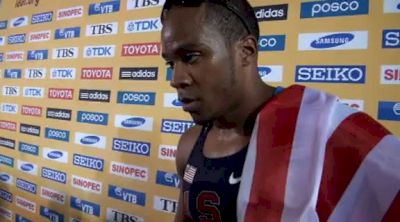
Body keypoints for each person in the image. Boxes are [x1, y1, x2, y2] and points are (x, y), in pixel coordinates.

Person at [160, 0, 400, 221]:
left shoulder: (323, 134)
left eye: (191, 57)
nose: (176, 78)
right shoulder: (189, 144)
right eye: (171, 64)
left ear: (246, 51)